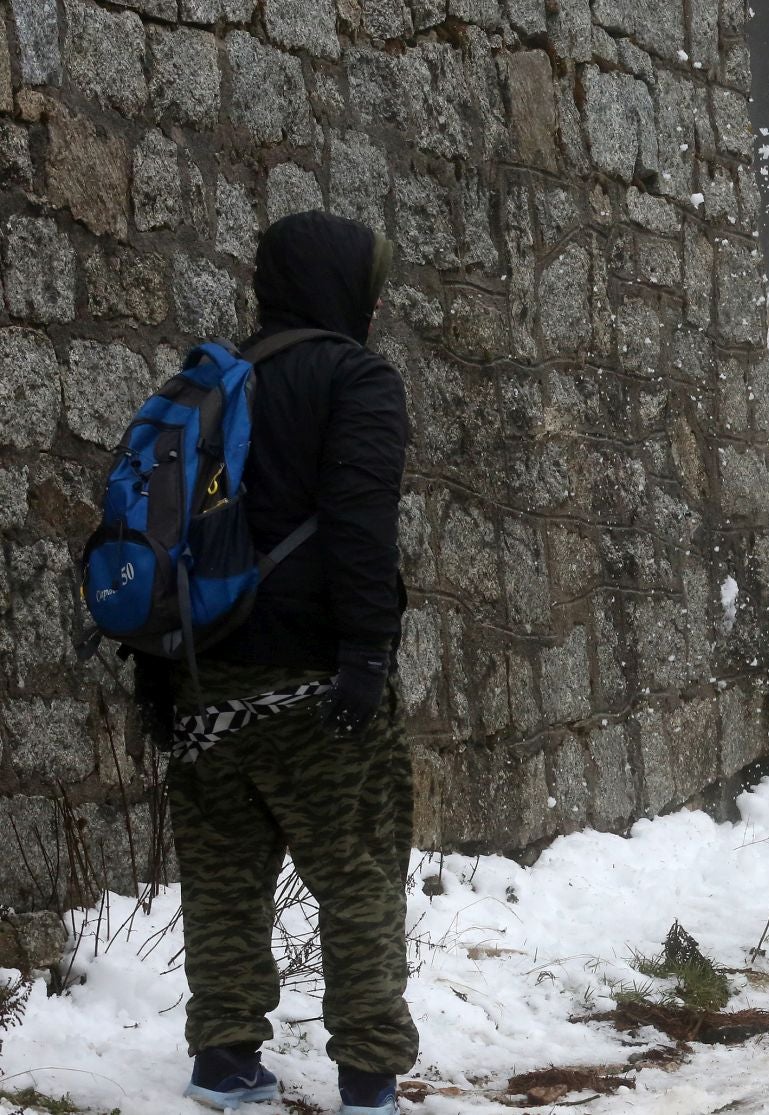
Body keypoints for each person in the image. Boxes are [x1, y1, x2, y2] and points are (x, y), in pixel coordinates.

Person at [136, 211, 413, 1115]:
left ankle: (223, 1061)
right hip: (313, 681)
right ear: (346, 287)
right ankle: (369, 1076)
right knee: (357, 872)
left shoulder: (210, 384)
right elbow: (360, 528)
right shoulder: (355, 378)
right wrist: (367, 652)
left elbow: (162, 536)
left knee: (222, 878)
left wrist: (159, 676)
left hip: (203, 678)